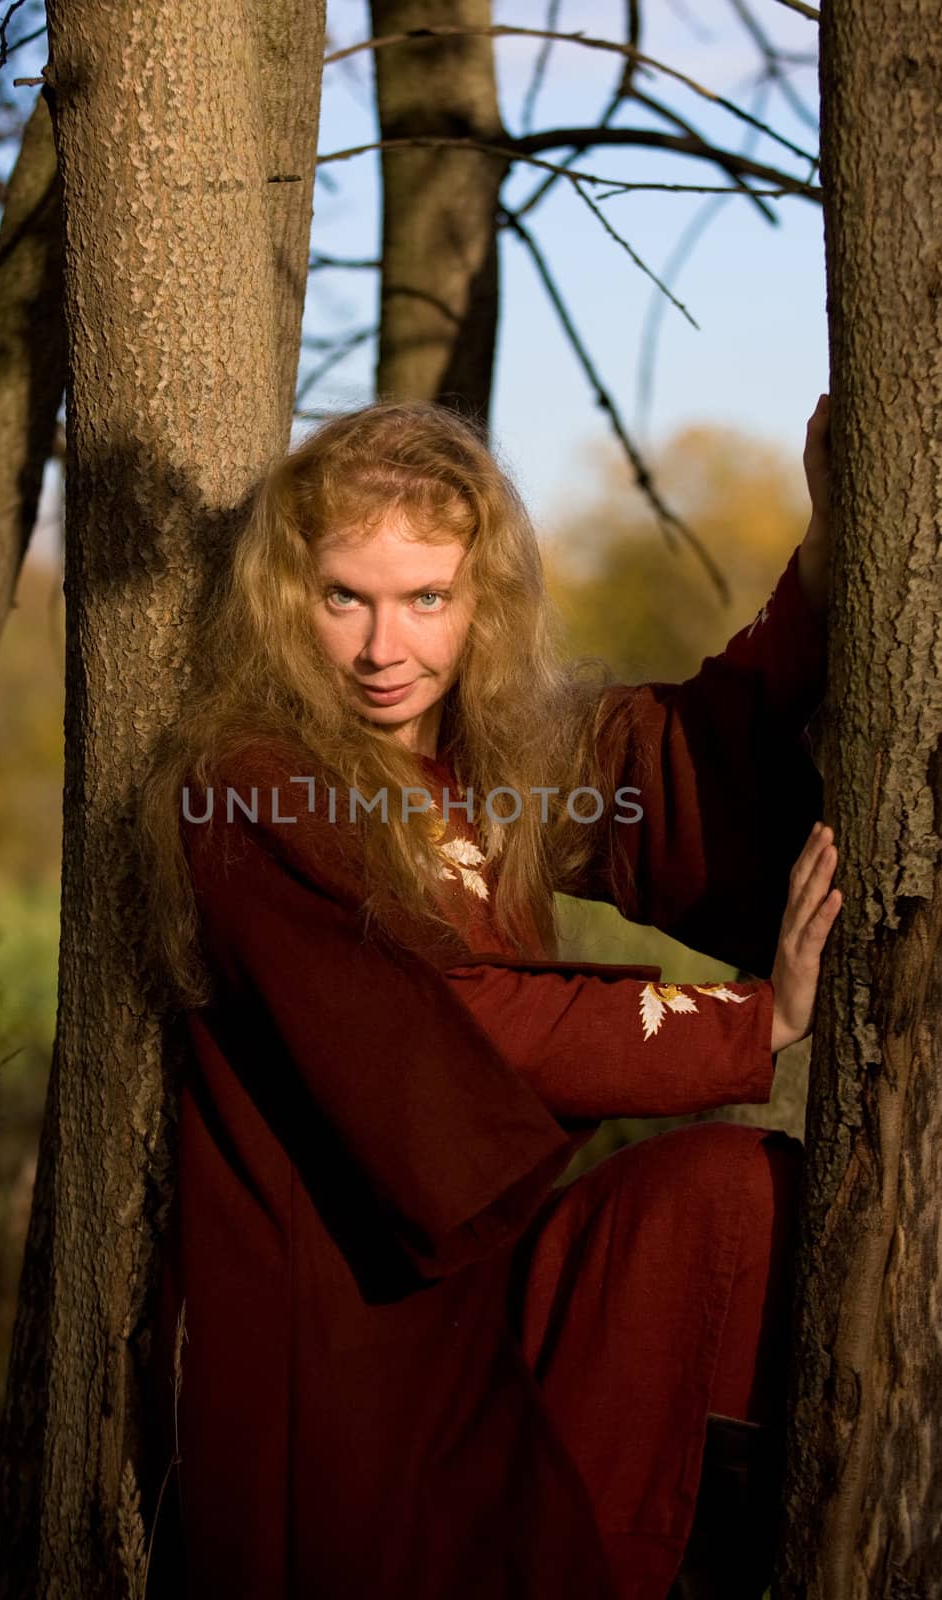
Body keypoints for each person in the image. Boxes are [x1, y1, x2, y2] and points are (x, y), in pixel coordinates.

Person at [137, 394, 839, 1600]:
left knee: (725, 1200)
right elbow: (455, 1018)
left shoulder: (489, 761)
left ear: (480, 603)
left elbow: (672, 755)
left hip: (486, 1292)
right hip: (348, 1341)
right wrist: (752, 1022)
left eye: (426, 599)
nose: (381, 648)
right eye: (342, 596)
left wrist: (832, 550)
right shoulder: (247, 791)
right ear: (281, 598)